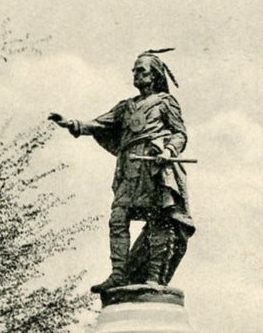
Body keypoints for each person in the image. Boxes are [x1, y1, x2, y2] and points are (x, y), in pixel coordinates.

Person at [49, 49, 195, 293]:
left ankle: (153, 277)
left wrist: (168, 151)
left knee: (159, 219)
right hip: (129, 168)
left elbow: (180, 133)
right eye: (134, 71)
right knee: (118, 218)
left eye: (141, 70)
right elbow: (100, 124)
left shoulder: (165, 103)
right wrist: (72, 124)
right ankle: (118, 275)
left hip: (154, 167)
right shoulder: (126, 106)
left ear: (155, 75)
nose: (135, 75)